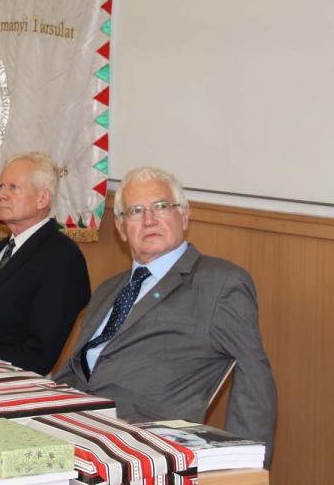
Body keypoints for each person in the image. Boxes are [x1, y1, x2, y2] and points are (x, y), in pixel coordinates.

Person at [54, 166, 277, 465]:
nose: (149, 220)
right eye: (136, 211)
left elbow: (254, 378)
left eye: (161, 207)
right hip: (70, 426)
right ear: (121, 228)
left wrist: (245, 466)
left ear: (184, 215)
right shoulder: (109, 289)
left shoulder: (219, 284)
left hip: (140, 445)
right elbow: (76, 369)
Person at [0, 152, 91, 375]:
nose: (1, 195)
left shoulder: (62, 258)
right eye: (1, 186)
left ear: (42, 199)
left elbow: (38, 355)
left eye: (13, 188)